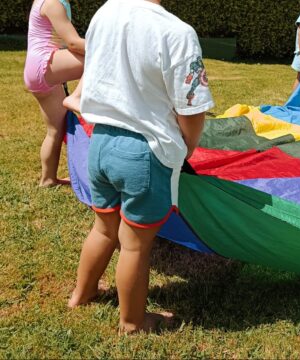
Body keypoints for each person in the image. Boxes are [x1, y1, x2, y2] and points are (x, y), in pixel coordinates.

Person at [67, 0, 214, 334]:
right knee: (134, 244)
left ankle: (82, 294)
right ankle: (133, 322)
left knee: (102, 229)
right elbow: (192, 109)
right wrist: (184, 149)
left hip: (100, 142)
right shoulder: (177, 32)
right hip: (144, 154)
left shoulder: (105, 13)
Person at [24, 0, 85, 187]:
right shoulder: (52, 3)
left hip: (36, 69)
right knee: (99, 59)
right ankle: (77, 97)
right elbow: (73, 43)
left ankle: (48, 179)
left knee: (55, 130)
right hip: (44, 63)